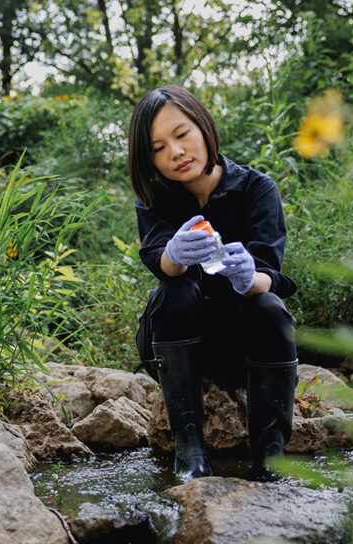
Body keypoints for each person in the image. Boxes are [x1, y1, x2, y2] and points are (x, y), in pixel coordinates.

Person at [128, 85, 298, 483]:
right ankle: (190, 452)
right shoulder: (154, 199)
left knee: (269, 307)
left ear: (204, 128)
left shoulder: (257, 189)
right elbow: (159, 261)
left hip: (243, 349)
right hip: (179, 343)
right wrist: (175, 253)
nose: (175, 152)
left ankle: (271, 457)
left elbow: (269, 275)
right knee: (173, 290)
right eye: (157, 147)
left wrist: (247, 276)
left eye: (182, 134)